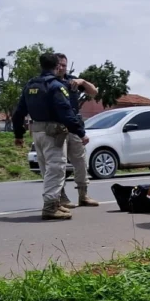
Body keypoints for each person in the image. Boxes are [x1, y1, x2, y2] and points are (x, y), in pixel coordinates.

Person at [12, 52, 88, 220]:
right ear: (55, 66)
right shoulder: (55, 86)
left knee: (47, 169)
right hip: (53, 133)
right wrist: (81, 132)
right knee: (56, 168)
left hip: (37, 133)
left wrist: (18, 134)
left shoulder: (30, 85)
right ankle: (50, 207)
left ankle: (56, 203)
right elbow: (66, 113)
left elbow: (18, 113)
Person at [54, 53, 99, 209]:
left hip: (74, 127)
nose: (61, 67)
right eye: (58, 64)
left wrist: (83, 81)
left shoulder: (72, 80)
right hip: (57, 128)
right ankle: (61, 197)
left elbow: (94, 92)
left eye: (64, 65)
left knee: (80, 162)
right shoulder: (49, 82)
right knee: (59, 164)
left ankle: (83, 195)